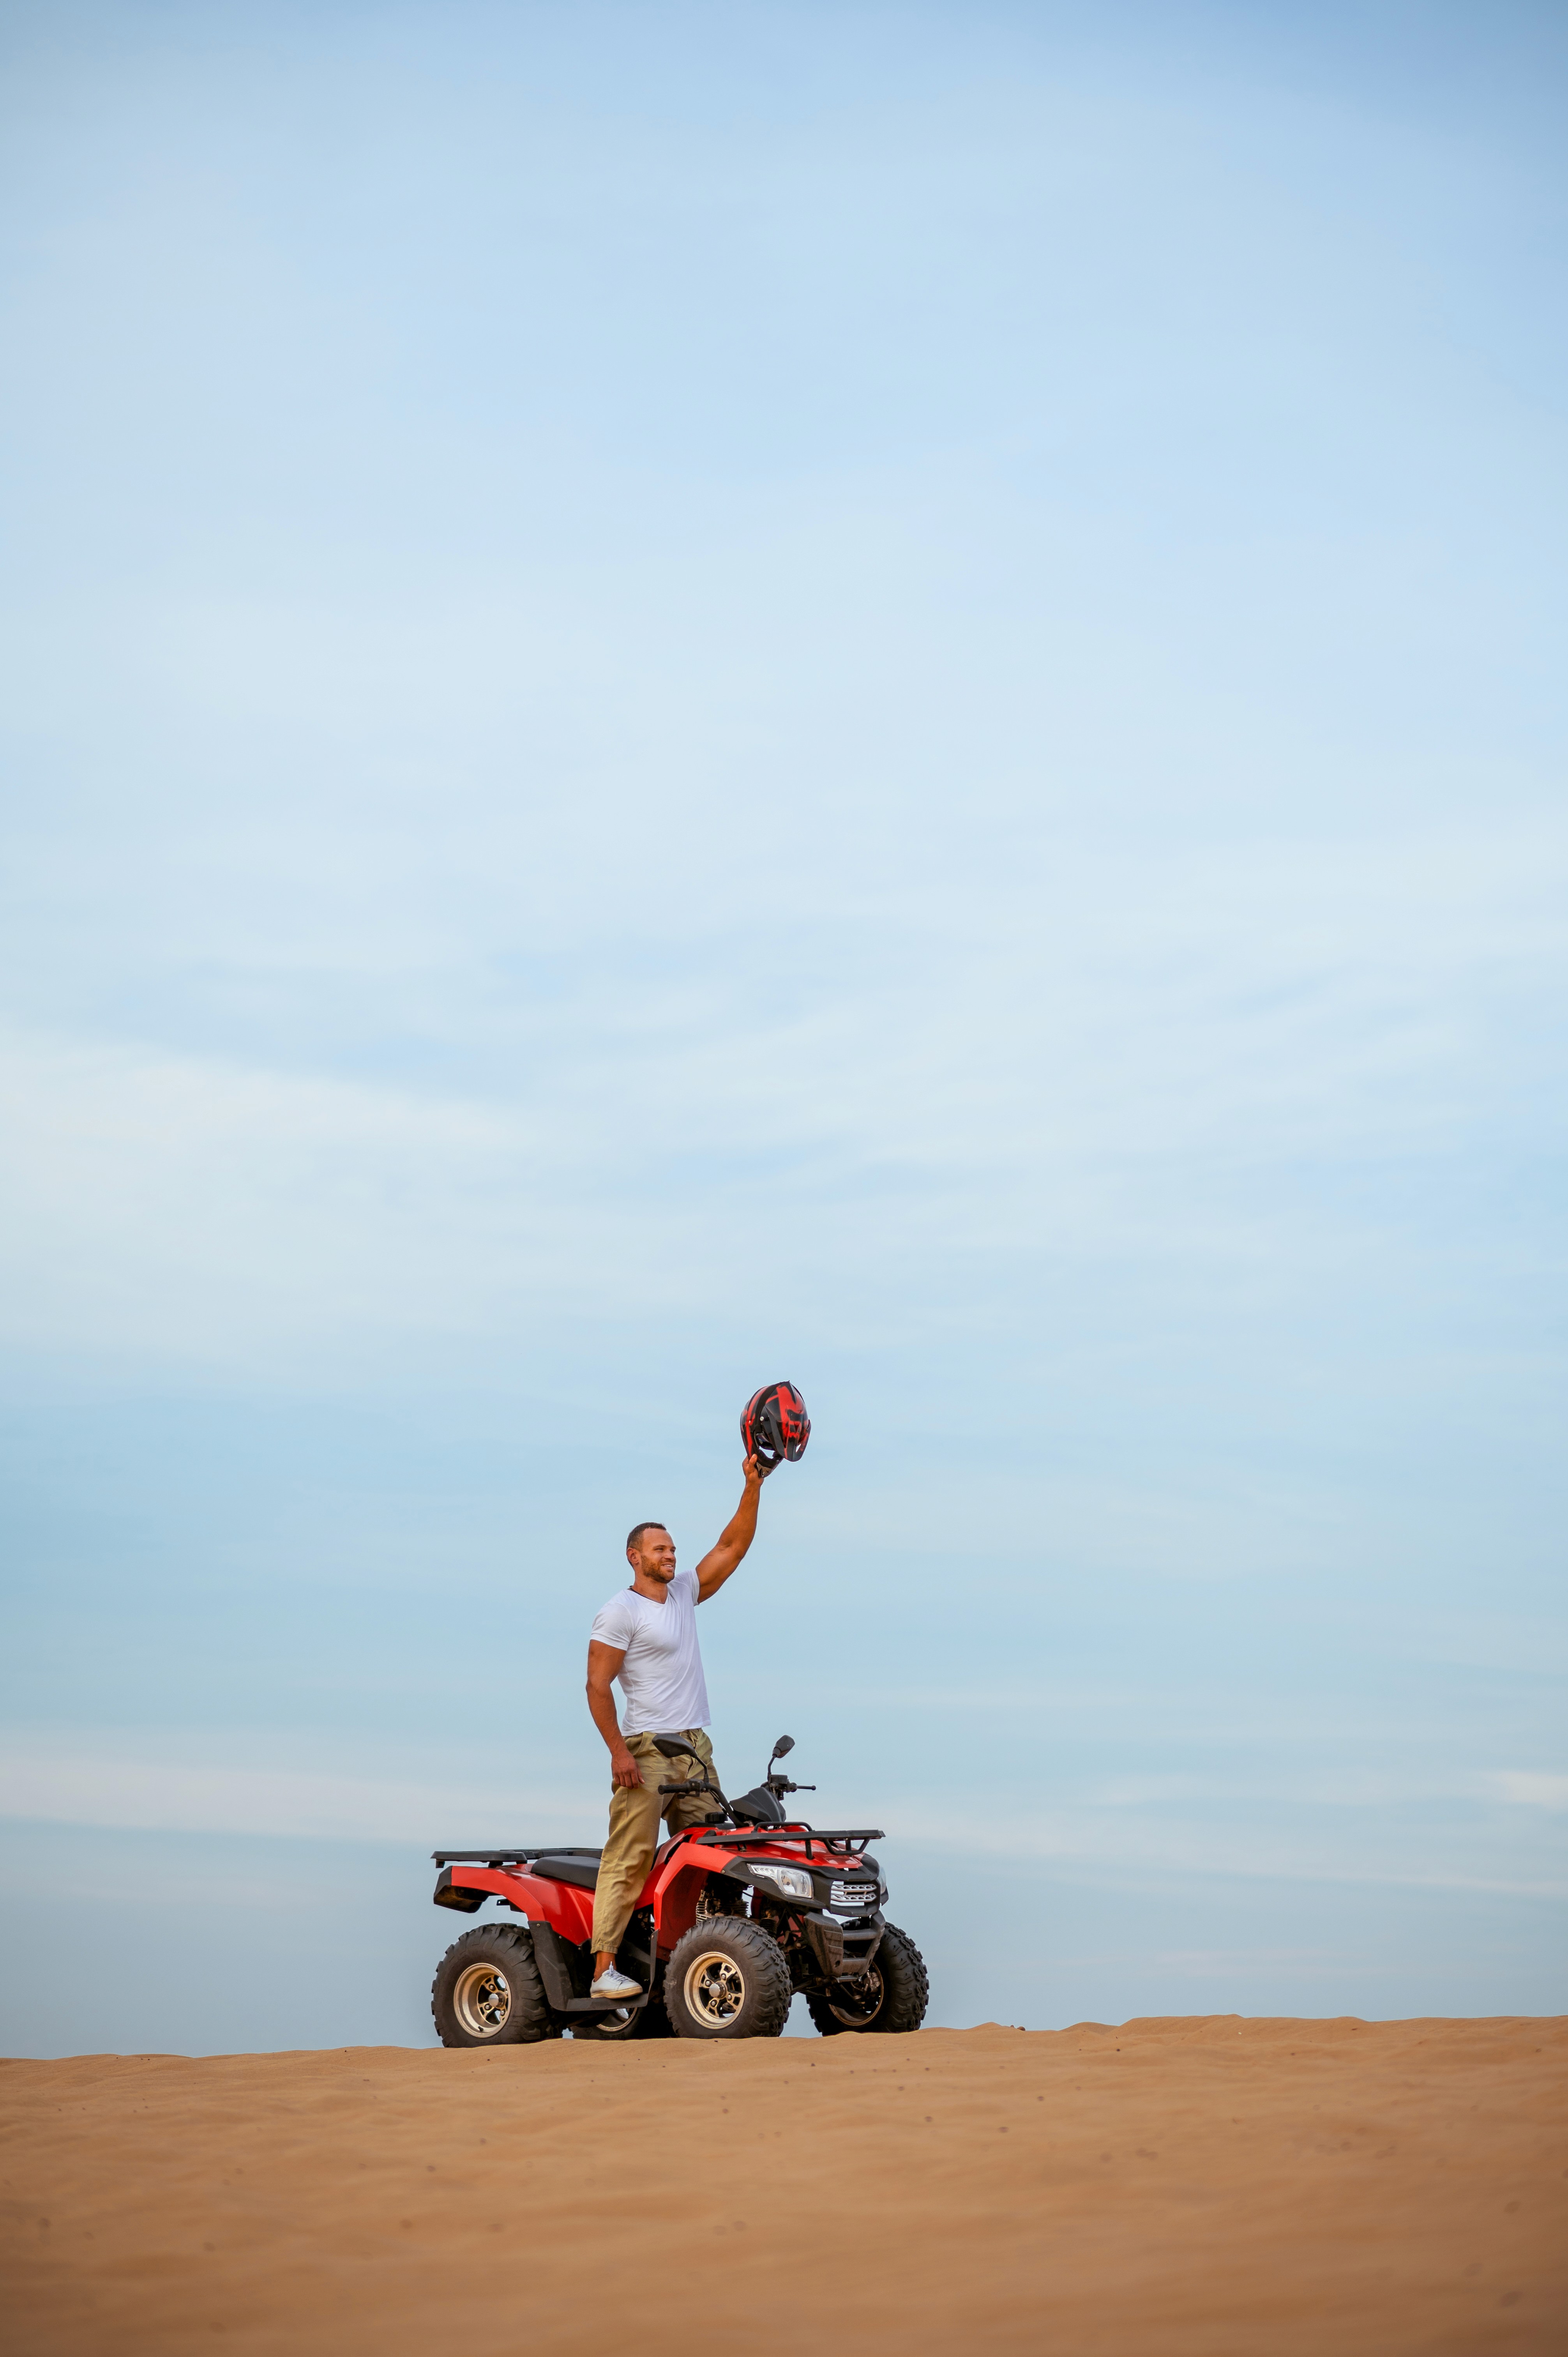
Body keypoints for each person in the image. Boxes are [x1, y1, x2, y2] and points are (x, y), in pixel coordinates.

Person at [584, 1455, 765, 1998]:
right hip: (645, 1750)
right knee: (631, 1857)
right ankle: (603, 1971)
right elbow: (597, 1687)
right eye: (661, 1549)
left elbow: (732, 1548)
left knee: (718, 1860)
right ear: (635, 1557)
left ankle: (708, 1957)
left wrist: (752, 1485)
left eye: (673, 1549)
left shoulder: (684, 1593)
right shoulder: (620, 1612)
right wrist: (619, 1753)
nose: (672, 1555)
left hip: (694, 1748)